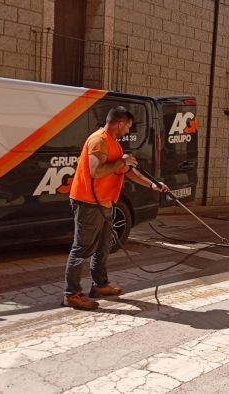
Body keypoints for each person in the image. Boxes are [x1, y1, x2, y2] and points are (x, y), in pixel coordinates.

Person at [63, 106, 168, 310]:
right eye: (128, 126)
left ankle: (100, 285)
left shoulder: (114, 144)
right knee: (82, 248)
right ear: (119, 124)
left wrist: (153, 185)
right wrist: (122, 160)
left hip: (105, 203)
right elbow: (96, 171)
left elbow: (127, 171)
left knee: (103, 247)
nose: (128, 130)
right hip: (89, 203)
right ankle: (71, 294)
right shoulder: (98, 140)